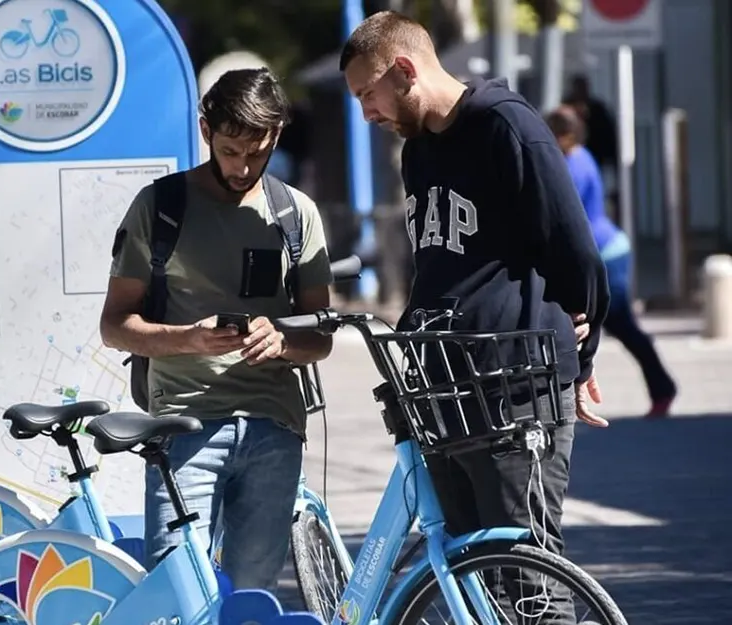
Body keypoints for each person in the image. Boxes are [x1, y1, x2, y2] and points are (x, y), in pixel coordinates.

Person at [339, 10, 610, 621]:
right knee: (468, 580)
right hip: (445, 392)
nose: (367, 113)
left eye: (368, 95)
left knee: (527, 578)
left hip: (514, 387)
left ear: (404, 70)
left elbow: (575, 253)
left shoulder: (505, 126)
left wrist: (580, 358)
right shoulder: (418, 153)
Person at [99, 68, 334, 591]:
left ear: (276, 136)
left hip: (274, 425)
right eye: (230, 151)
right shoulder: (160, 208)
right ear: (206, 130)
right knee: (177, 589)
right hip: (183, 425)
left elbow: (320, 336)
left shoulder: (296, 213)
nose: (243, 167)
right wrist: (188, 339)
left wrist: (283, 340)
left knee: (250, 596)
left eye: (258, 152)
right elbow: (114, 325)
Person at [546, 105, 677, 417]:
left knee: (618, 326)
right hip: (607, 248)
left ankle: (663, 388)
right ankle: (662, 388)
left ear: (565, 135)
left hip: (604, 254)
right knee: (600, 328)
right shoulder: (578, 157)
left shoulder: (573, 166)